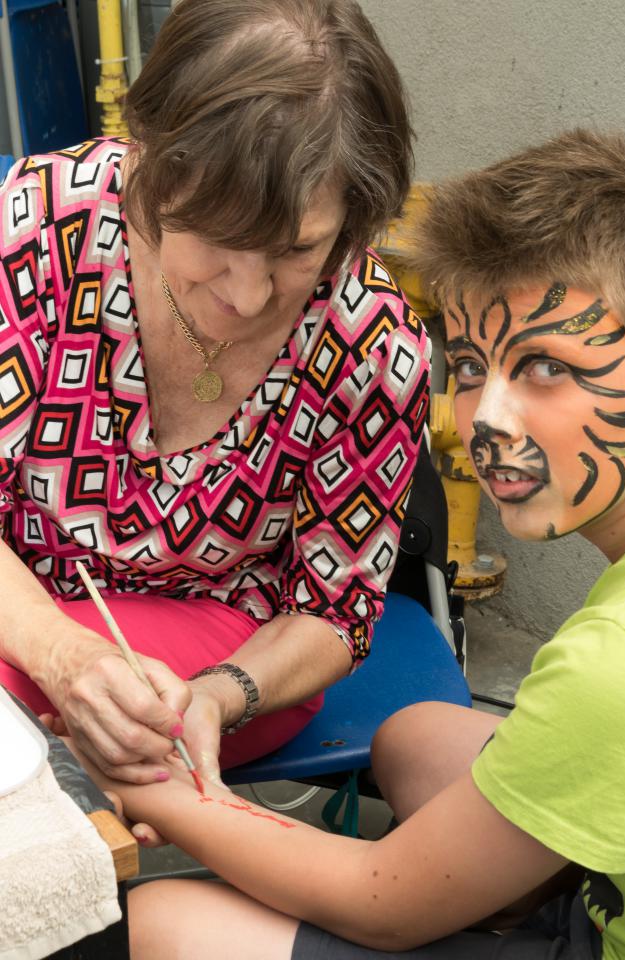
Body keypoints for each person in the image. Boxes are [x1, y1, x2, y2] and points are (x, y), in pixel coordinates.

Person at [71, 128, 625, 960]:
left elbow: (383, 905)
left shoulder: (613, 668)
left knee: (166, 921)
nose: (484, 419)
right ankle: (525, 891)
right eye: (473, 365)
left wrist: (164, 795)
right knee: (416, 733)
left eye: (547, 367)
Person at [0, 0, 430, 789]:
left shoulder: (371, 339)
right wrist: (61, 653)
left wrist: (216, 697)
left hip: (232, 656)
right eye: (218, 238)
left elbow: (334, 613)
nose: (249, 293)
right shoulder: (38, 227)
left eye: (298, 249)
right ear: (150, 160)